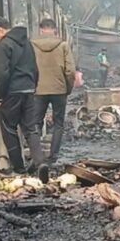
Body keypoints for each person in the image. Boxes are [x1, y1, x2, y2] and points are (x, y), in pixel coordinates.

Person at [0, 17, 48, 181]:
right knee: (30, 128)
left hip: (12, 92)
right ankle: (40, 162)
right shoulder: (27, 43)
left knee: (9, 128)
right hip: (28, 89)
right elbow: (35, 68)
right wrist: (33, 86)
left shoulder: (4, 45)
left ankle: (19, 168)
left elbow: (3, 74)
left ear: (0, 29)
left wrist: (0, 96)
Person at [32, 18, 75, 163]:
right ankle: (53, 156)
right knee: (58, 124)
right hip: (59, 89)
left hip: (38, 90)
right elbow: (70, 71)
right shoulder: (63, 45)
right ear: (55, 29)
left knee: (36, 122)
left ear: (41, 30)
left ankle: (37, 155)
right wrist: (67, 88)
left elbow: (29, 67)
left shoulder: (33, 46)